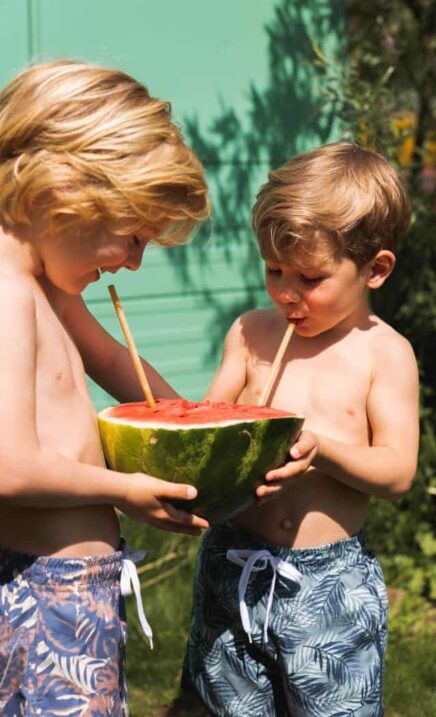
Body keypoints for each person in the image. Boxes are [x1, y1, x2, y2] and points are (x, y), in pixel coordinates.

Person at [0, 60, 210, 716]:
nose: (133, 262)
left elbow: (122, 365)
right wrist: (127, 491)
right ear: (65, 189)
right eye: (134, 236)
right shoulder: (7, 294)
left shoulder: (45, 288)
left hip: (73, 592)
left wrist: (214, 434)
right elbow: (9, 467)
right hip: (44, 597)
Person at [183, 142, 419, 716]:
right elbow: (210, 424)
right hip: (232, 562)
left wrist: (323, 450)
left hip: (328, 585)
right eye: (273, 270)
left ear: (375, 269)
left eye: (310, 277)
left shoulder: (384, 353)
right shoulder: (249, 333)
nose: (287, 292)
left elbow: (396, 472)